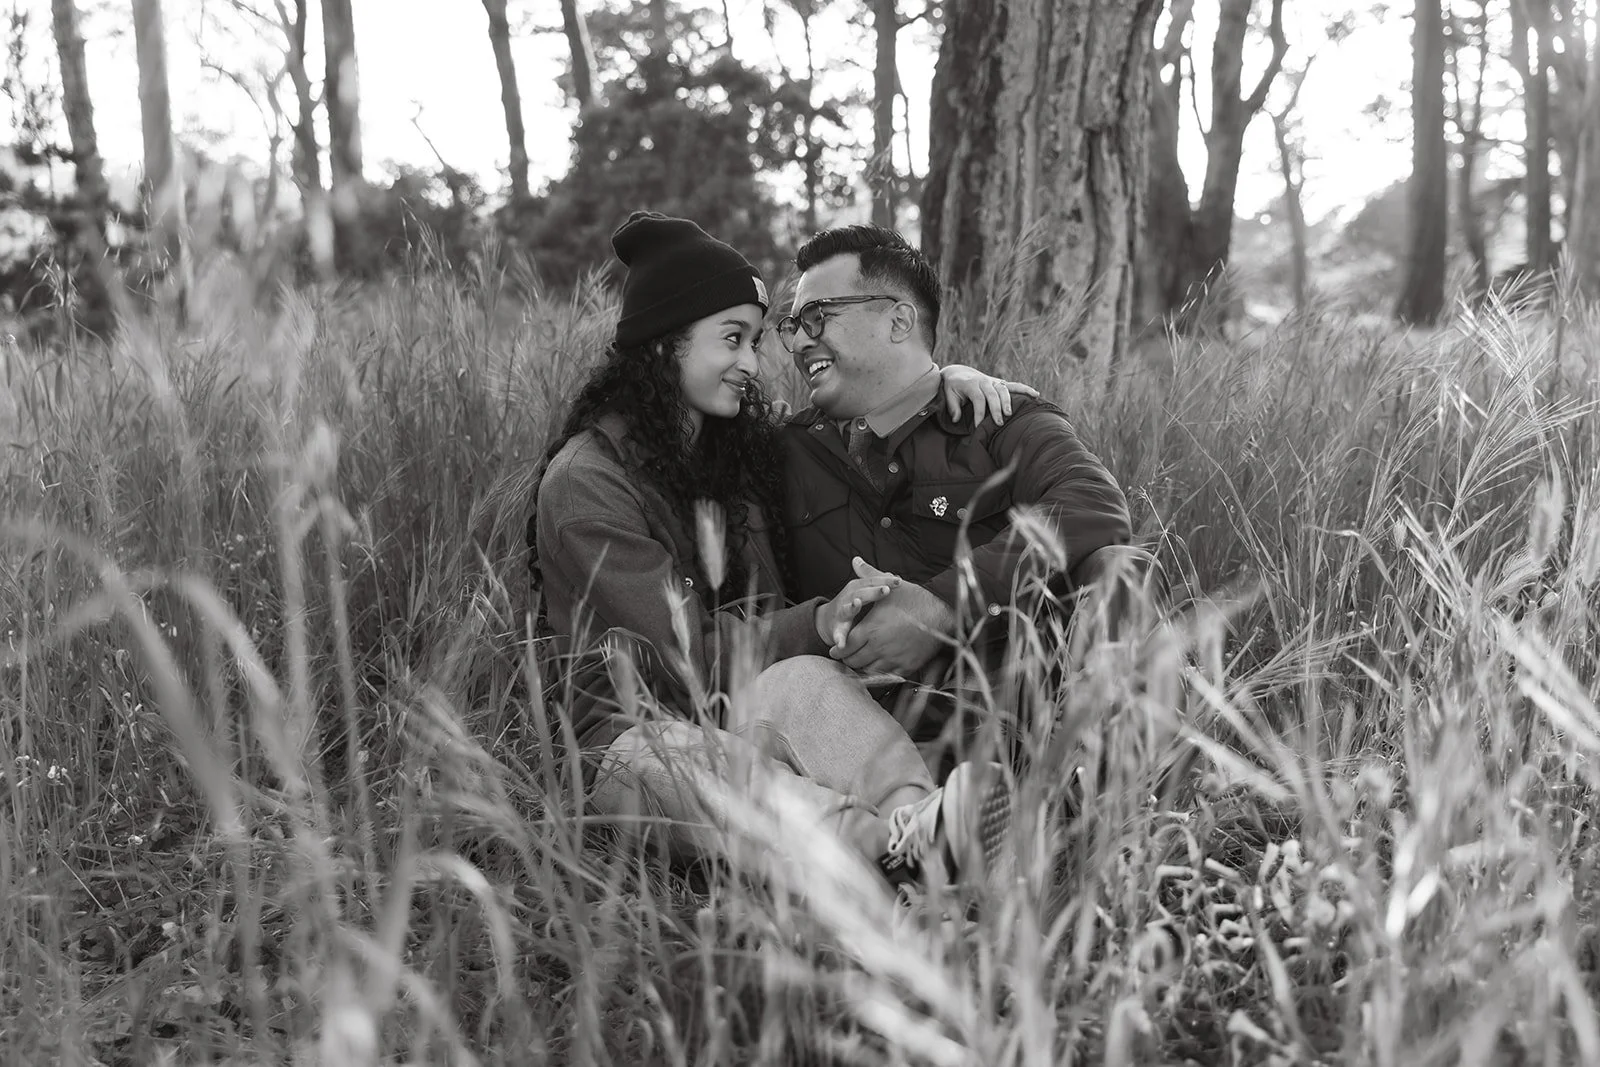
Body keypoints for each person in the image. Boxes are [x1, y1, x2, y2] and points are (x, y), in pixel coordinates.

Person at [529, 212, 1030, 897]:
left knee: (803, 680)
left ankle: (929, 825)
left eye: (755, 340)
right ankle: (893, 849)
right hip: (633, 741)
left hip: (748, 704)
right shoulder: (587, 484)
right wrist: (820, 624)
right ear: (660, 347)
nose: (751, 362)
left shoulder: (737, 447)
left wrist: (938, 380)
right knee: (676, 755)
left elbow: (862, 411)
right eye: (731, 339)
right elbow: (681, 661)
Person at [776, 224, 1154, 768]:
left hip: (1029, 712)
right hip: (879, 743)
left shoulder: (998, 419)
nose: (800, 341)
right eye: (793, 326)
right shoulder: (784, 452)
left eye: (819, 317)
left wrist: (941, 604)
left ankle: (1115, 798)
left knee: (1121, 570)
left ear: (898, 320)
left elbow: (1091, 500)